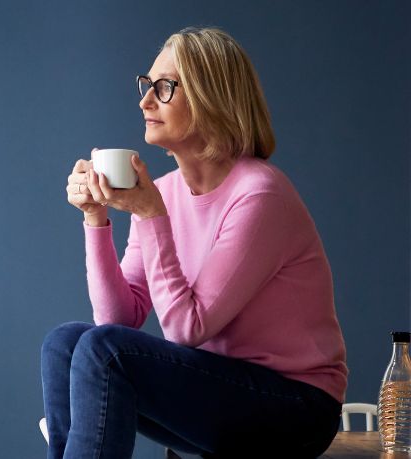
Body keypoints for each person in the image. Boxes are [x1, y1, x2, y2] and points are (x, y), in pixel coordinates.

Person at [42, 27, 348, 459]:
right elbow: (118, 318)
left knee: (103, 351)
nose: (145, 101)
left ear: (212, 97)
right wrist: (97, 219)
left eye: (164, 87)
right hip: (220, 388)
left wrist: (150, 216)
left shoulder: (259, 195)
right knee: (66, 343)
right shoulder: (163, 192)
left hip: (296, 408)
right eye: (146, 86)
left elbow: (186, 330)